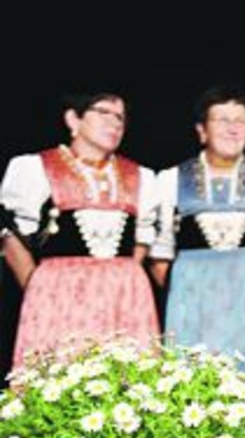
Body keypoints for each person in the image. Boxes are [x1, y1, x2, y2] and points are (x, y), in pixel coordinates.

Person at [149, 87, 245, 400]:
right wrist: (193, 292)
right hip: (195, 315)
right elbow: (160, 258)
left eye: (241, 121)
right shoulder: (169, 180)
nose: (233, 128)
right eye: (222, 120)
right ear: (201, 130)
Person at [0, 92, 159, 365]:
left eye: (120, 117)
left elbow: (143, 239)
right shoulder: (36, 167)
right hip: (59, 294)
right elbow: (10, 235)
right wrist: (39, 287)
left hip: (123, 299)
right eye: (104, 112)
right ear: (73, 119)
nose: (115, 123)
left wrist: (126, 280)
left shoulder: (140, 176)